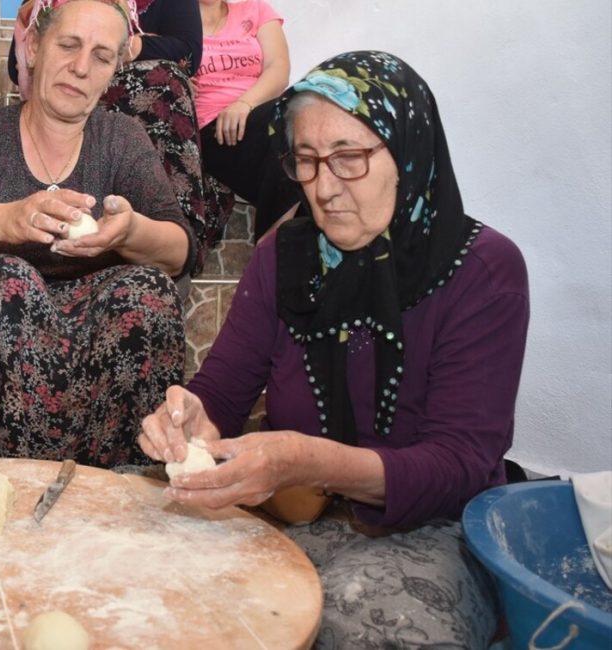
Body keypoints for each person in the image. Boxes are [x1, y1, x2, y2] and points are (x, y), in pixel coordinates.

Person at [140, 51, 529, 647]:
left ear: (406, 153)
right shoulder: (283, 258)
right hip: (291, 512)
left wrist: (309, 460)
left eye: (348, 158)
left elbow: (460, 465)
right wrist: (190, 418)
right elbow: (221, 391)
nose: (323, 188)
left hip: (433, 529)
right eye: (307, 161)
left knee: (369, 626)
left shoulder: (483, 271)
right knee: (148, 569)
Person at [0, 0, 195, 468]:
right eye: (69, 45)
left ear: (114, 71)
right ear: (34, 47)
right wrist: (4, 221)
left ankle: (121, 491)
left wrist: (130, 231)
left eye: (100, 57)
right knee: (3, 279)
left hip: (91, 335)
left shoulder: (122, 139)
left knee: (146, 290)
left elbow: (179, 252)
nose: (80, 68)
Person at [9, 0, 230, 272]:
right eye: (68, 44)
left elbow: (187, 53)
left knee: (167, 80)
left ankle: (172, 233)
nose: (80, 65)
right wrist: (105, 49)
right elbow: (16, 60)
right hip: (95, 87)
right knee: (163, 79)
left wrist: (128, 47)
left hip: (141, 81)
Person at [194, 0, 297, 238]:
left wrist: (244, 104)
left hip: (261, 112)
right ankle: (273, 246)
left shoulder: (256, 8)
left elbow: (278, 68)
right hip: (213, 128)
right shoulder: (171, 16)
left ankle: (272, 249)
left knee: (300, 117)